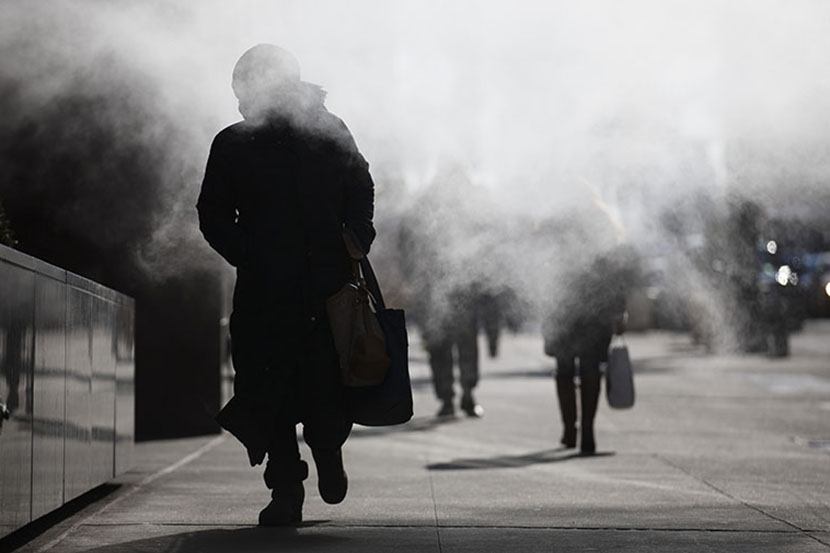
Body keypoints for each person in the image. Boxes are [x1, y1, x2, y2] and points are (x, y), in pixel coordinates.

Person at [197, 44, 376, 526]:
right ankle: (286, 490)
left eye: (244, 87)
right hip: (265, 295)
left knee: (324, 388)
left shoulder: (328, 131)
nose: (239, 98)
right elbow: (212, 214)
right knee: (266, 390)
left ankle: (326, 450)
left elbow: (361, 186)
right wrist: (251, 256)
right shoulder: (233, 143)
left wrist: (357, 237)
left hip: (325, 290)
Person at [542, 250, 630, 454]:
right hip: (595, 313)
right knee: (590, 369)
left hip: (563, 313)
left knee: (565, 371)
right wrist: (619, 309)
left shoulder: (556, 228)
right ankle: (587, 430)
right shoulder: (601, 228)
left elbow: (545, 270)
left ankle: (570, 429)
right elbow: (614, 272)